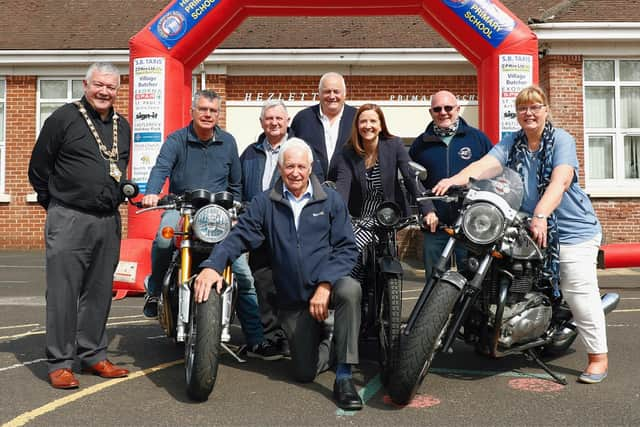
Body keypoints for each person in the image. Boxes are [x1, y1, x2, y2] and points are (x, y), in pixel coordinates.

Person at [433, 85, 609, 384]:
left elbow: (561, 179)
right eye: (523, 108)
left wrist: (541, 214)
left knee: (576, 286)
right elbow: (485, 165)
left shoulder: (560, 140)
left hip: (570, 228)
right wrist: (455, 180)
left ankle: (598, 356)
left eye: (535, 107)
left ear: (545, 110)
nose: (529, 113)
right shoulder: (512, 142)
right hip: (527, 222)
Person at [194, 138, 364, 410]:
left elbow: (347, 248)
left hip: (328, 287)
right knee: (304, 373)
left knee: (351, 290)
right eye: (289, 166)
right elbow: (238, 237)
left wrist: (325, 285)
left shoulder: (330, 200)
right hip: (294, 299)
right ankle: (331, 344)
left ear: (310, 168)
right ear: (280, 168)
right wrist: (213, 265)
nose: (295, 172)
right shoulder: (265, 203)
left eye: (301, 166)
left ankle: (344, 376)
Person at [142, 90, 277, 360]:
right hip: (181, 206)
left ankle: (256, 338)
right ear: (192, 111)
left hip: (219, 213)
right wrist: (153, 192)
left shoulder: (228, 142)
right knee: (163, 240)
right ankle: (155, 290)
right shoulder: (177, 140)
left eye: (212, 111)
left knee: (242, 272)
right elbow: (161, 168)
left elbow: (236, 184)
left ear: (218, 114)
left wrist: (237, 211)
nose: (207, 115)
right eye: (202, 109)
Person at [28, 62, 130, 389]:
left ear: (118, 89)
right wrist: (56, 205)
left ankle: (93, 354)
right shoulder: (63, 118)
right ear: (86, 85)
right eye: (98, 85)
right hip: (69, 216)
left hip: (108, 219)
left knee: (100, 292)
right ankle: (60, 362)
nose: (104, 92)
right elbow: (38, 168)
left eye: (111, 87)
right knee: (63, 292)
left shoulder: (121, 125)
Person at [334, 103, 436, 283]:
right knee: (352, 244)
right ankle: (353, 287)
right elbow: (343, 186)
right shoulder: (348, 152)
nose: (368, 125)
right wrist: (337, 215)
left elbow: (411, 177)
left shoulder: (393, 144)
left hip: (389, 214)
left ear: (381, 125)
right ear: (357, 126)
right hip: (359, 216)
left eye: (373, 121)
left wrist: (428, 209)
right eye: (363, 121)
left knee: (354, 245)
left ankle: (350, 279)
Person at [409, 90, 493, 279]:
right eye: (437, 109)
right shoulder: (420, 145)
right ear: (431, 112)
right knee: (434, 284)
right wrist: (427, 209)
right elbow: (413, 182)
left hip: (470, 227)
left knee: (471, 283)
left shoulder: (477, 139)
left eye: (448, 108)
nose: (443, 112)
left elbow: (493, 173)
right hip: (435, 226)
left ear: (458, 109)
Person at [240, 99, 294, 357]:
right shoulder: (250, 152)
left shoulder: (297, 149)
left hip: (287, 225)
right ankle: (270, 336)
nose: (273, 123)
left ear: (288, 122)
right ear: (262, 123)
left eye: (278, 119)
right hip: (256, 226)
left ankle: (288, 336)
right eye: (269, 119)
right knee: (261, 279)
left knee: (286, 281)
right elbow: (238, 185)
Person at [290, 72, 357, 182]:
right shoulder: (303, 119)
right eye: (327, 92)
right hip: (310, 190)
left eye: (336, 91)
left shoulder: (357, 118)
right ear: (319, 94)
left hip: (348, 191)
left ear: (344, 94)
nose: (332, 96)